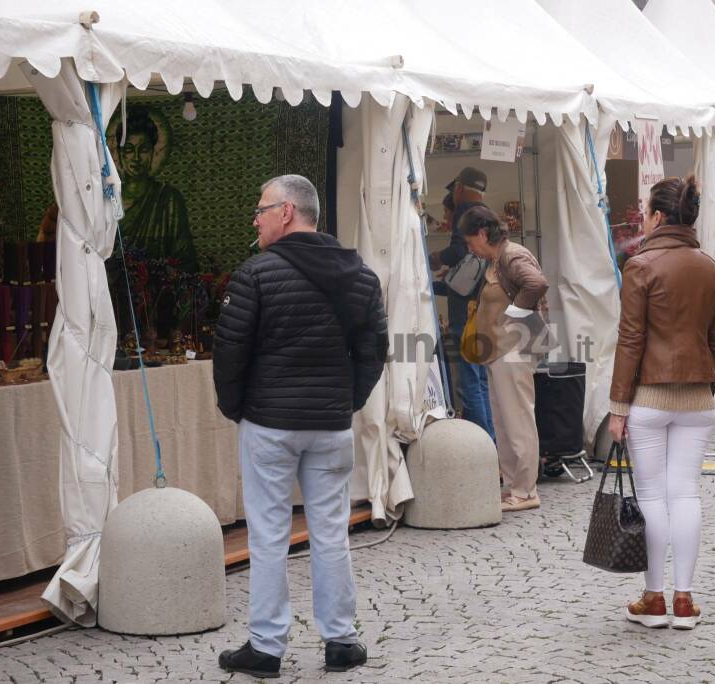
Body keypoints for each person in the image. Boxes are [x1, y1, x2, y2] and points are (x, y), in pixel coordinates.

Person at [214, 174, 388, 676]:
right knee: (330, 533)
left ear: (287, 212)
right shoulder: (360, 276)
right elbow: (374, 352)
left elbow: (229, 354)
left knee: (269, 536)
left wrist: (237, 408)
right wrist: (346, 402)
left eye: (261, 209)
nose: (256, 218)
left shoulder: (256, 275)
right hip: (330, 424)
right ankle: (341, 640)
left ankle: (266, 647)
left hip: (269, 423)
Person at [608, 176, 715, 630]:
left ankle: (653, 598)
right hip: (698, 395)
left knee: (654, 494)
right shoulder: (710, 266)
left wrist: (618, 406)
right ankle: (684, 600)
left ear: (657, 217)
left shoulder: (641, 265)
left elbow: (630, 341)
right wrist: (705, 382)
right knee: (687, 492)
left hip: (649, 397)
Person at [460, 205, 549, 512]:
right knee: (504, 419)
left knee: (518, 419)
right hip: (502, 351)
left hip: (513, 350)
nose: (471, 247)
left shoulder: (511, 256)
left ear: (484, 234)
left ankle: (525, 489)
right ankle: (515, 486)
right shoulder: (501, 257)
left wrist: (514, 316)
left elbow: (536, 284)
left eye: (472, 241)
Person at [428, 167, 495, 440]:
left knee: (469, 381)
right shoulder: (487, 214)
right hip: (481, 305)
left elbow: (456, 252)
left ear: (459, 188)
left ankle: (481, 444)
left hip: (464, 312)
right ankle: (491, 441)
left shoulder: (464, 209)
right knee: (480, 380)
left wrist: (434, 258)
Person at [112, 106, 199, 271]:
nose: (136, 158)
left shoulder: (169, 200)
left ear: (153, 153)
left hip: (161, 291)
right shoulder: (111, 199)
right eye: (129, 150)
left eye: (143, 149)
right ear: (121, 155)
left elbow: (186, 261)